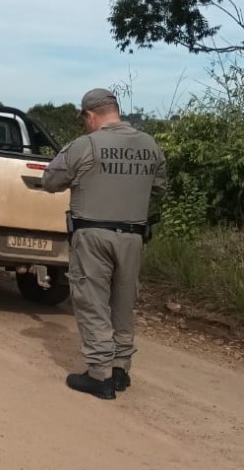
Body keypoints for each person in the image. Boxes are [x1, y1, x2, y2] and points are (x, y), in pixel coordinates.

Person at [41, 88, 167, 400]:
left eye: (85, 119)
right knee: (123, 302)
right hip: (134, 236)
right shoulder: (150, 145)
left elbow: (50, 180)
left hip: (93, 234)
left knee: (92, 300)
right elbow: (159, 188)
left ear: (90, 115)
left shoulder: (86, 145)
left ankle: (100, 375)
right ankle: (121, 369)